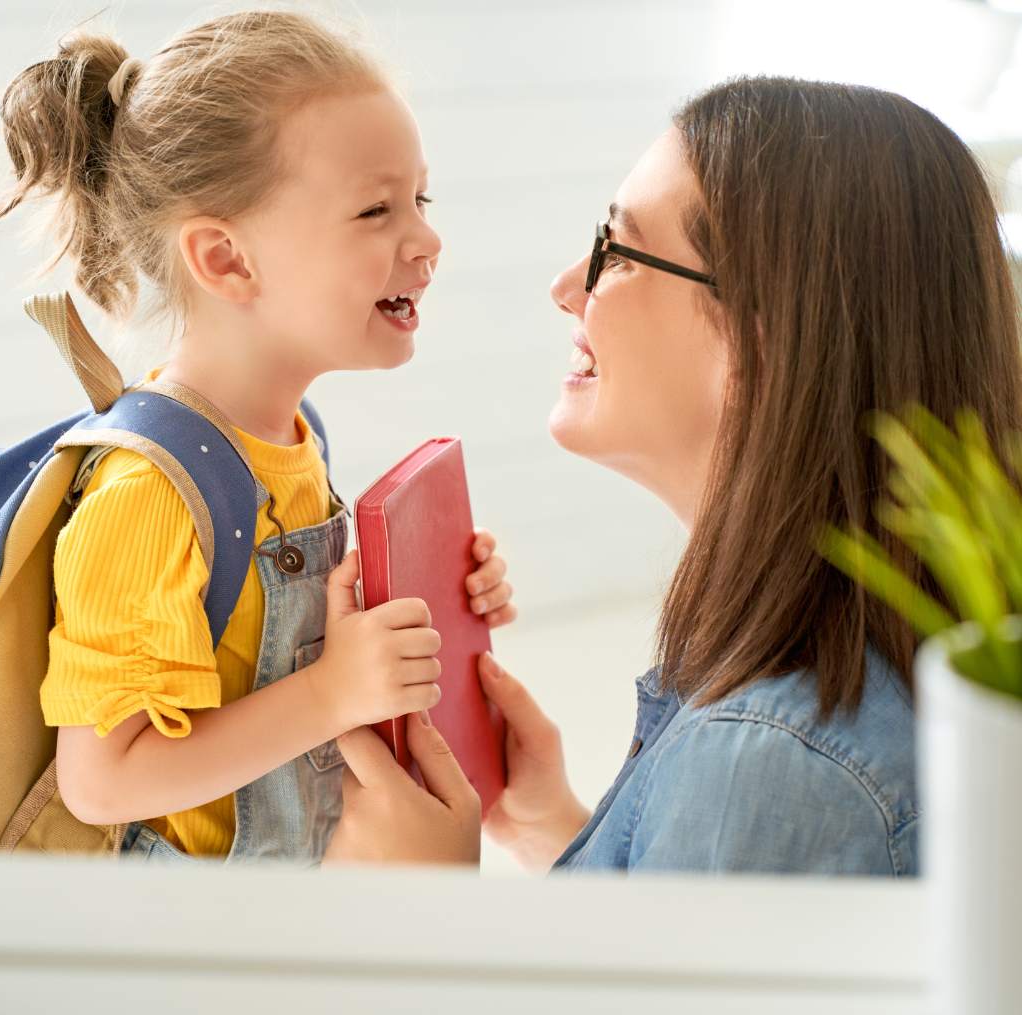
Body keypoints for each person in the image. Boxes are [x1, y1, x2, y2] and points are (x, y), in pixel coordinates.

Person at [325, 75, 1022, 876]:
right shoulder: (826, 710)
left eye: (616, 253)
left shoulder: (768, 767)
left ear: (762, 344)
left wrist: (419, 894)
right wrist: (550, 825)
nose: (566, 290)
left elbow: (628, 1009)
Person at [0, 10, 517, 862]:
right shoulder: (146, 497)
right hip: (193, 943)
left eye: (420, 199)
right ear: (226, 259)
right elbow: (104, 780)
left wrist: (424, 596)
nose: (428, 239)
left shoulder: (294, 439)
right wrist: (333, 691)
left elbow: (258, 647)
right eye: (376, 209)